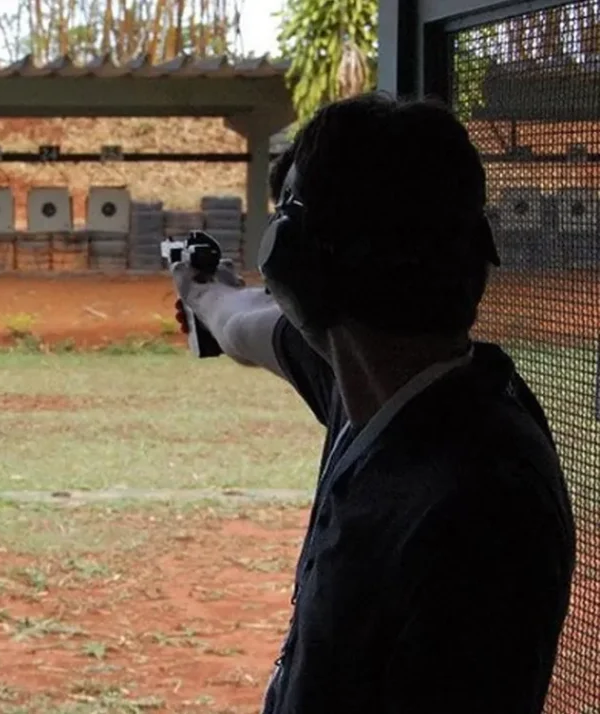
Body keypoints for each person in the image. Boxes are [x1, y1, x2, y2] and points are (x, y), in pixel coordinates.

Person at [173, 93, 576, 713]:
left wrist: (210, 296)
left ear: (294, 269)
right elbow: (242, 321)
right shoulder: (381, 385)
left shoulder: (479, 510)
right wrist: (203, 292)